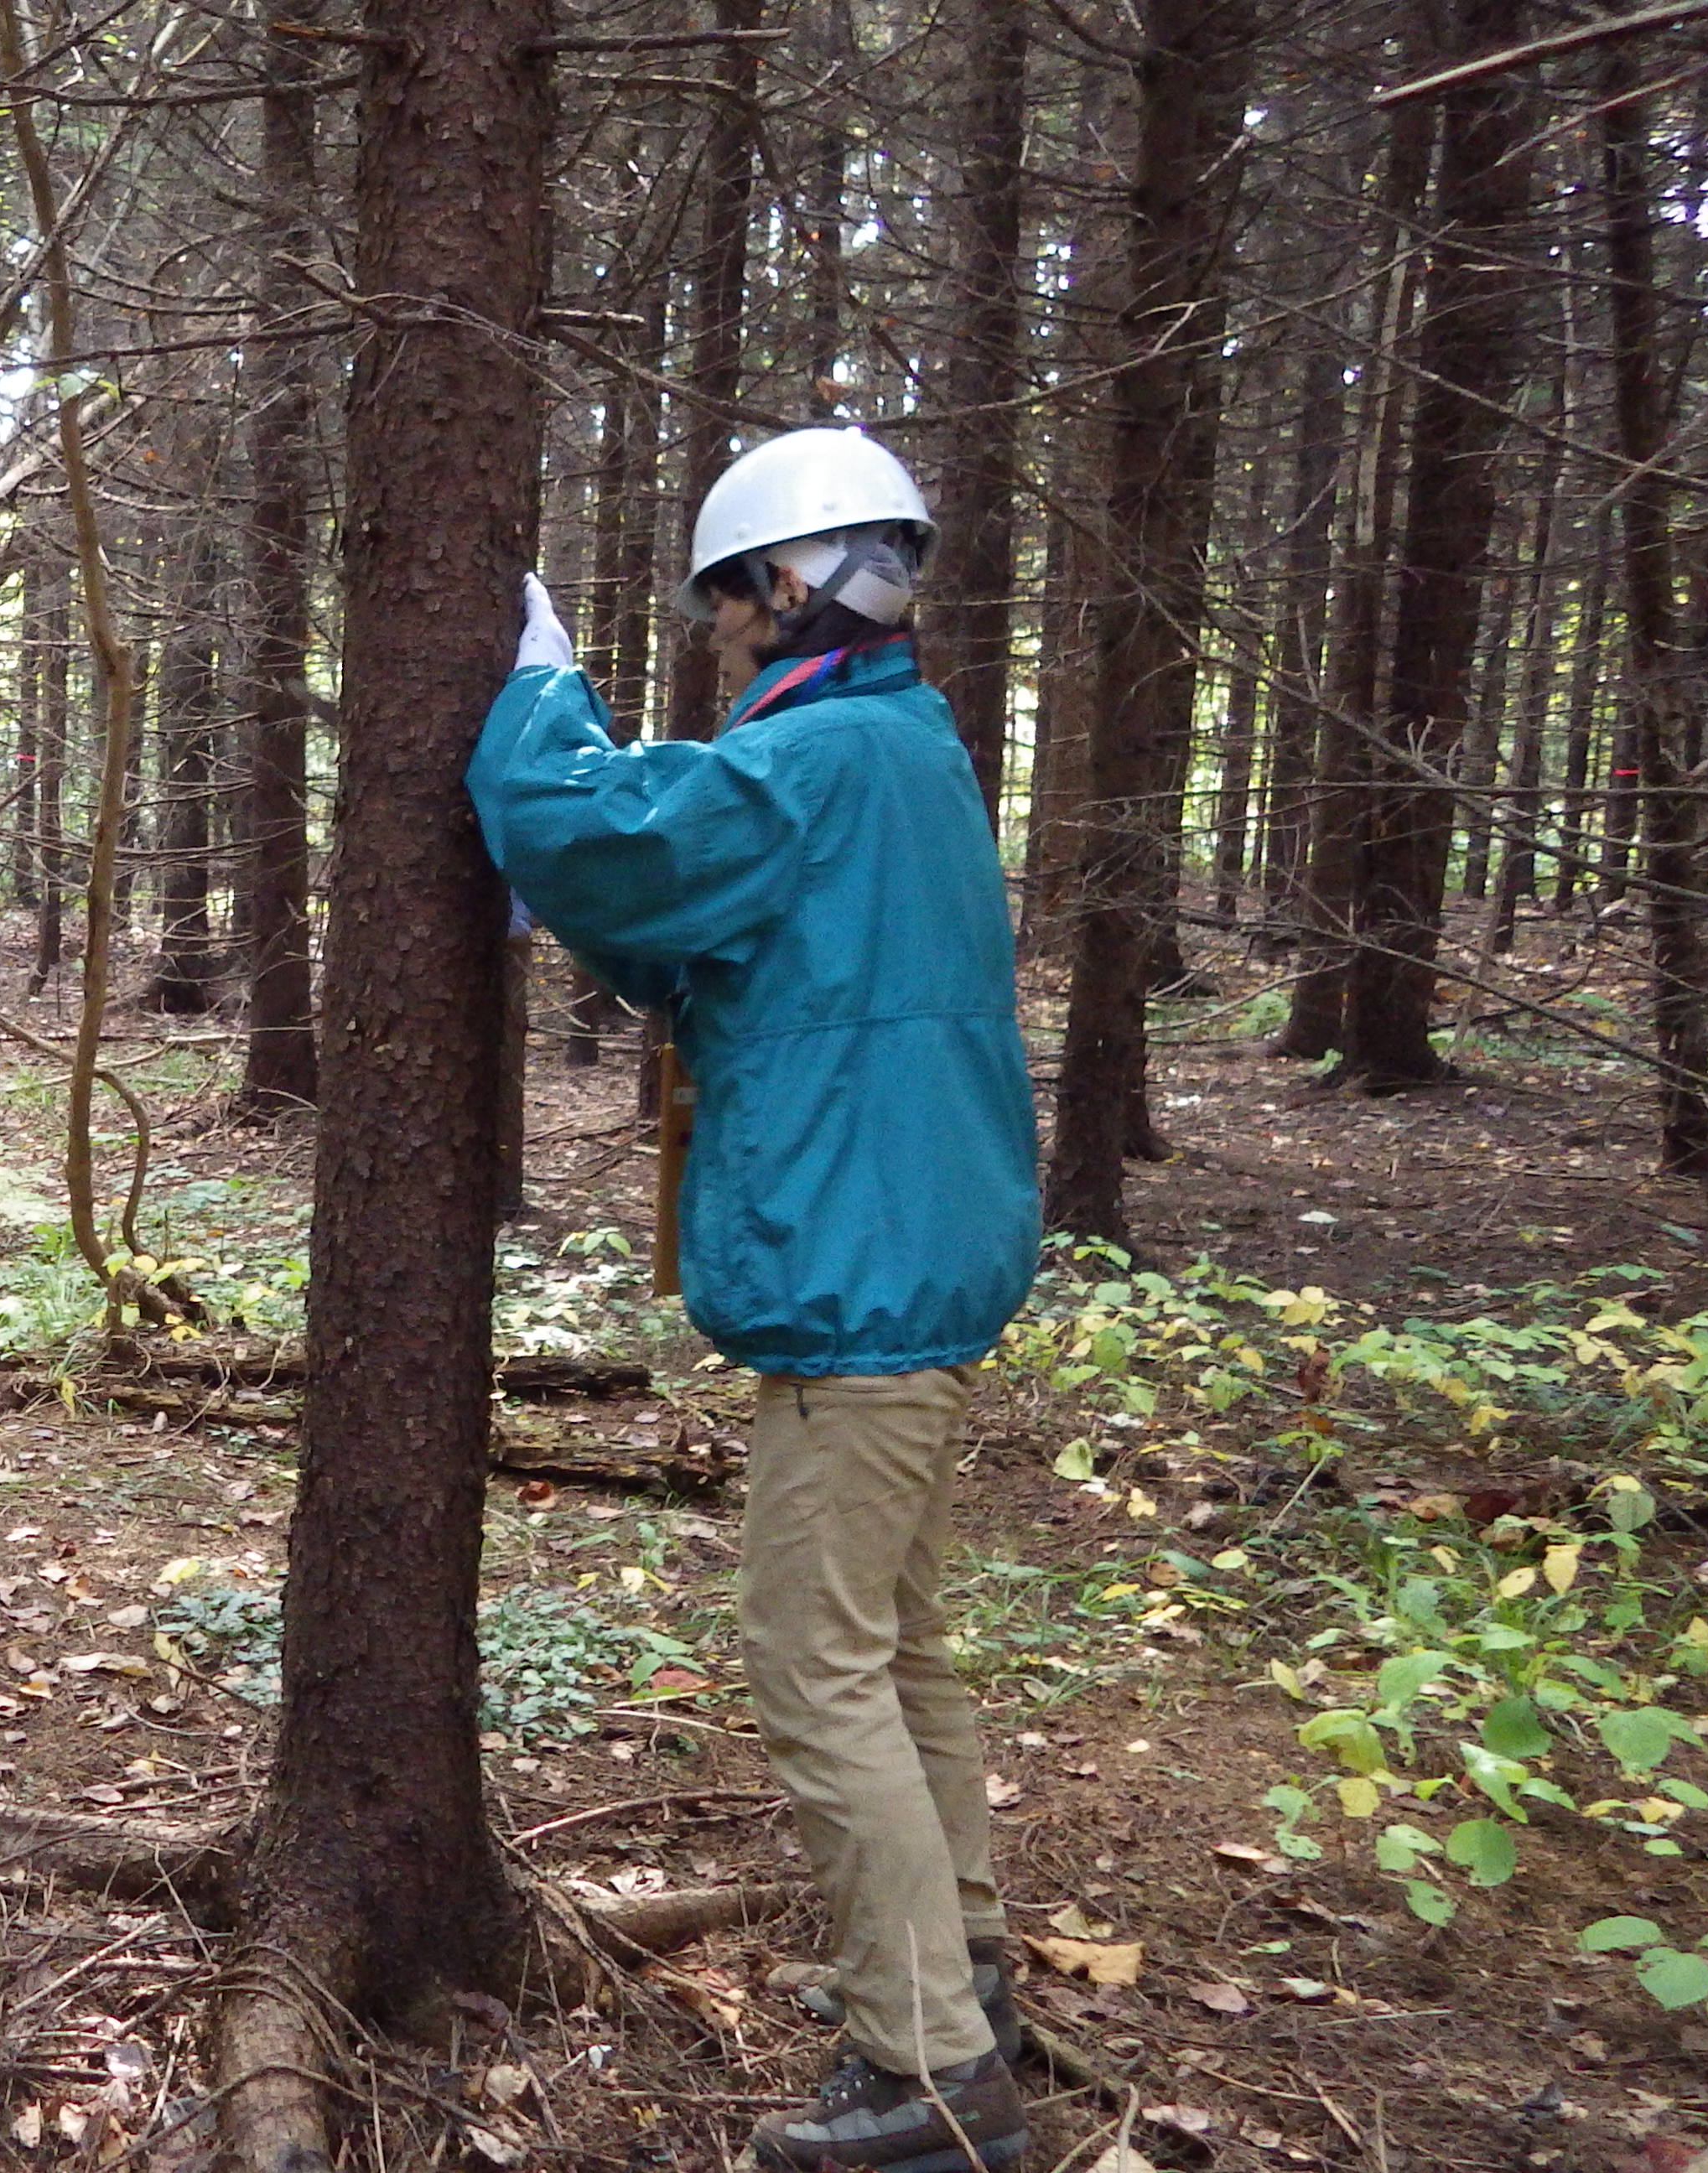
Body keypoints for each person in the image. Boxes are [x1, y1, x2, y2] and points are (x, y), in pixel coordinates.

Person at [465, 428, 1040, 2173]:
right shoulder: (901, 752)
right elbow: (714, 932)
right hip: (911, 1268)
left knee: (817, 1673)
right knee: (898, 1651)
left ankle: (930, 2078)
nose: (727, 635)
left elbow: (599, 831)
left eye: (734, 601)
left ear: (796, 581)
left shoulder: (830, 759)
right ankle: (968, 1976)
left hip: (865, 1286)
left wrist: (539, 697)